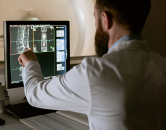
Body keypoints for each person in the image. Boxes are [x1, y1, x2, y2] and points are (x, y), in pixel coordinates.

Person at [18, 0, 166, 130]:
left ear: (105, 19)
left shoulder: (95, 72)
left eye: (95, 18)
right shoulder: (161, 64)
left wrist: (31, 62)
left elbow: (34, 94)